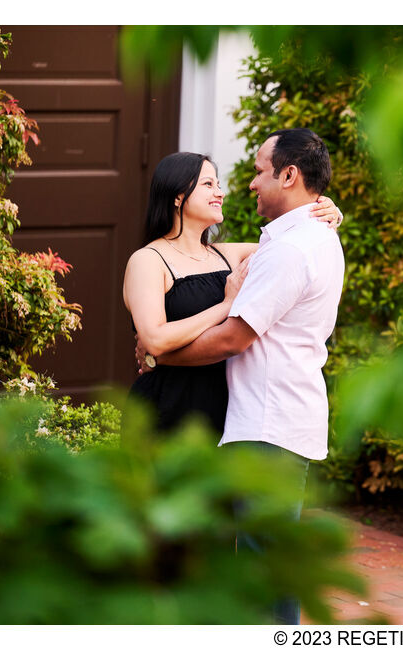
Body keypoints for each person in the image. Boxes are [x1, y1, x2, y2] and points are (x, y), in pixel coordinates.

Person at [136, 129, 344, 624]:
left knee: (260, 571)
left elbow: (233, 337)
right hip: (209, 419)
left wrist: (161, 355)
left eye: (256, 171)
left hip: (266, 424)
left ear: (289, 175)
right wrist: (323, 209)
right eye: (210, 182)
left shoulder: (279, 249)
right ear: (179, 197)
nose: (239, 185)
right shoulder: (284, 242)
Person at [123, 151, 341, 434]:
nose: (220, 193)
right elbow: (154, 339)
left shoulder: (230, 255)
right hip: (164, 411)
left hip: (223, 413)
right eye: (208, 185)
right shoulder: (148, 260)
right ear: (177, 196)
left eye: (218, 184)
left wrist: (328, 212)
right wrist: (226, 305)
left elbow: (297, 246)